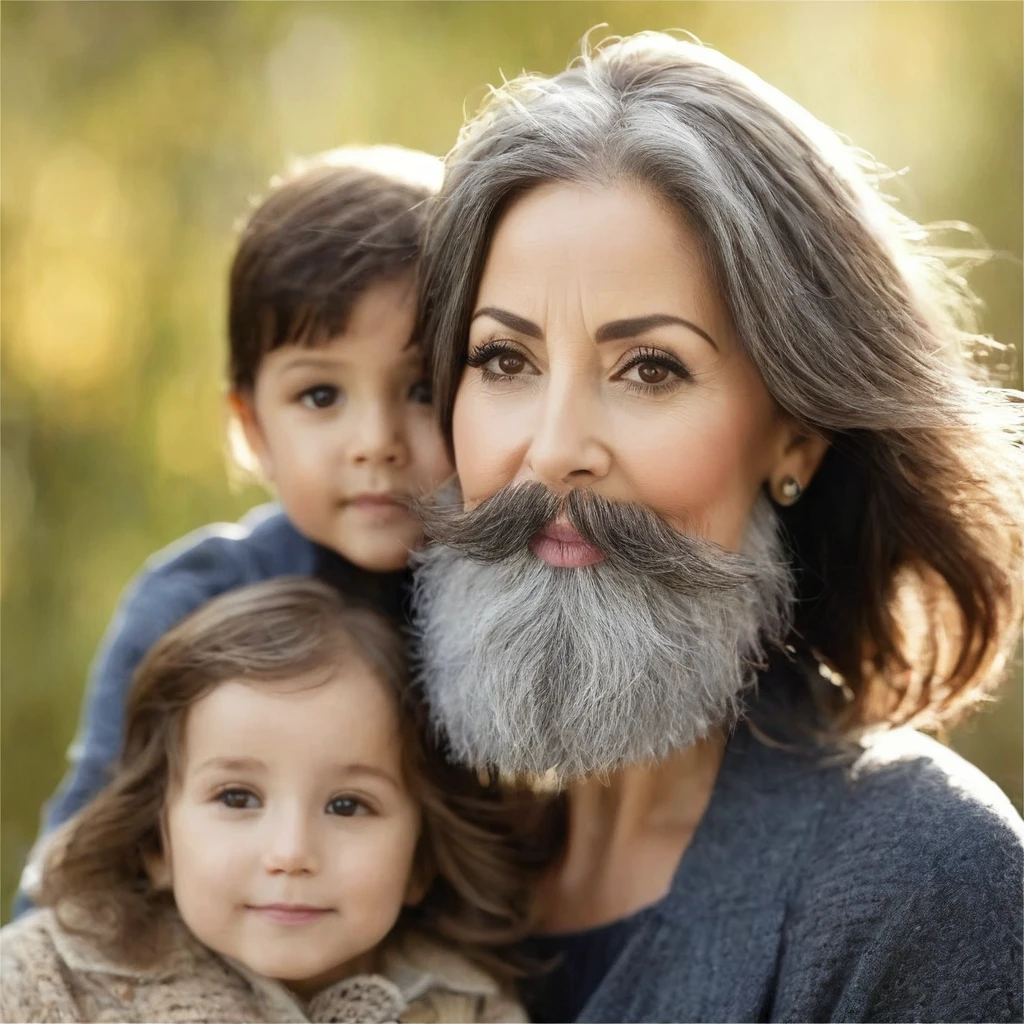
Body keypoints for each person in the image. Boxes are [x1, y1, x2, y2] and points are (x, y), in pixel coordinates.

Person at [411, 32, 1024, 1023]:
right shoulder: (374, 845)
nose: (554, 448)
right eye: (504, 361)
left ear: (796, 439)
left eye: (650, 367)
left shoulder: (916, 879)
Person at [15, 145, 453, 912]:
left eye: (422, 388)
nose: (375, 439)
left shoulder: (504, 609)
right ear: (251, 427)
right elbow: (78, 865)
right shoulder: (194, 602)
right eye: (321, 395)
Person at [1, 578, 528, 1023]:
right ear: (156, 841)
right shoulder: (39, 981)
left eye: (347, 805)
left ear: (421, 859)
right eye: (237, 797)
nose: (291, 853)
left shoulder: (470, 1008)